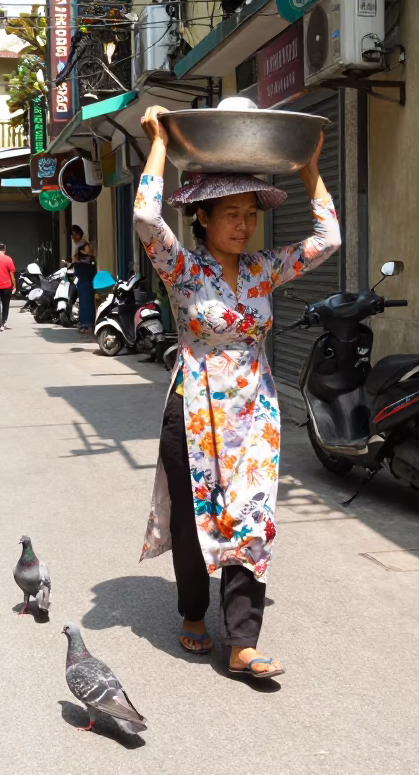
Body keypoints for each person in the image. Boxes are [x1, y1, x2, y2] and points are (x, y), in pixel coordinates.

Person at [134, 105, 340, 680]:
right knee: (192, 521)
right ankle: (193, 612)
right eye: (231, 213)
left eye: (251, 214)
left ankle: (243, 641)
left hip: (254, 411)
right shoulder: (183, 271)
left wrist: (308, 168)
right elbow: (148, 219)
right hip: (193, 408)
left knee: (251, 516)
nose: (245, 225)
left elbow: (330, 237)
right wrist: (156, 144)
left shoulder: (263, 270)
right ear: (201, 217)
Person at [70, 225, 95, 335]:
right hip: (81, 276)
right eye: (72, 234)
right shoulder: (79, 245)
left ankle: (88, 324)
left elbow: (90, 255)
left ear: (80, 234)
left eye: (75, 234)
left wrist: (79, 258)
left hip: (85, 275)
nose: (73, 236)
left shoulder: (84, 245)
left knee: (86, 300)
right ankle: (84, 323)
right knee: (83, 300)